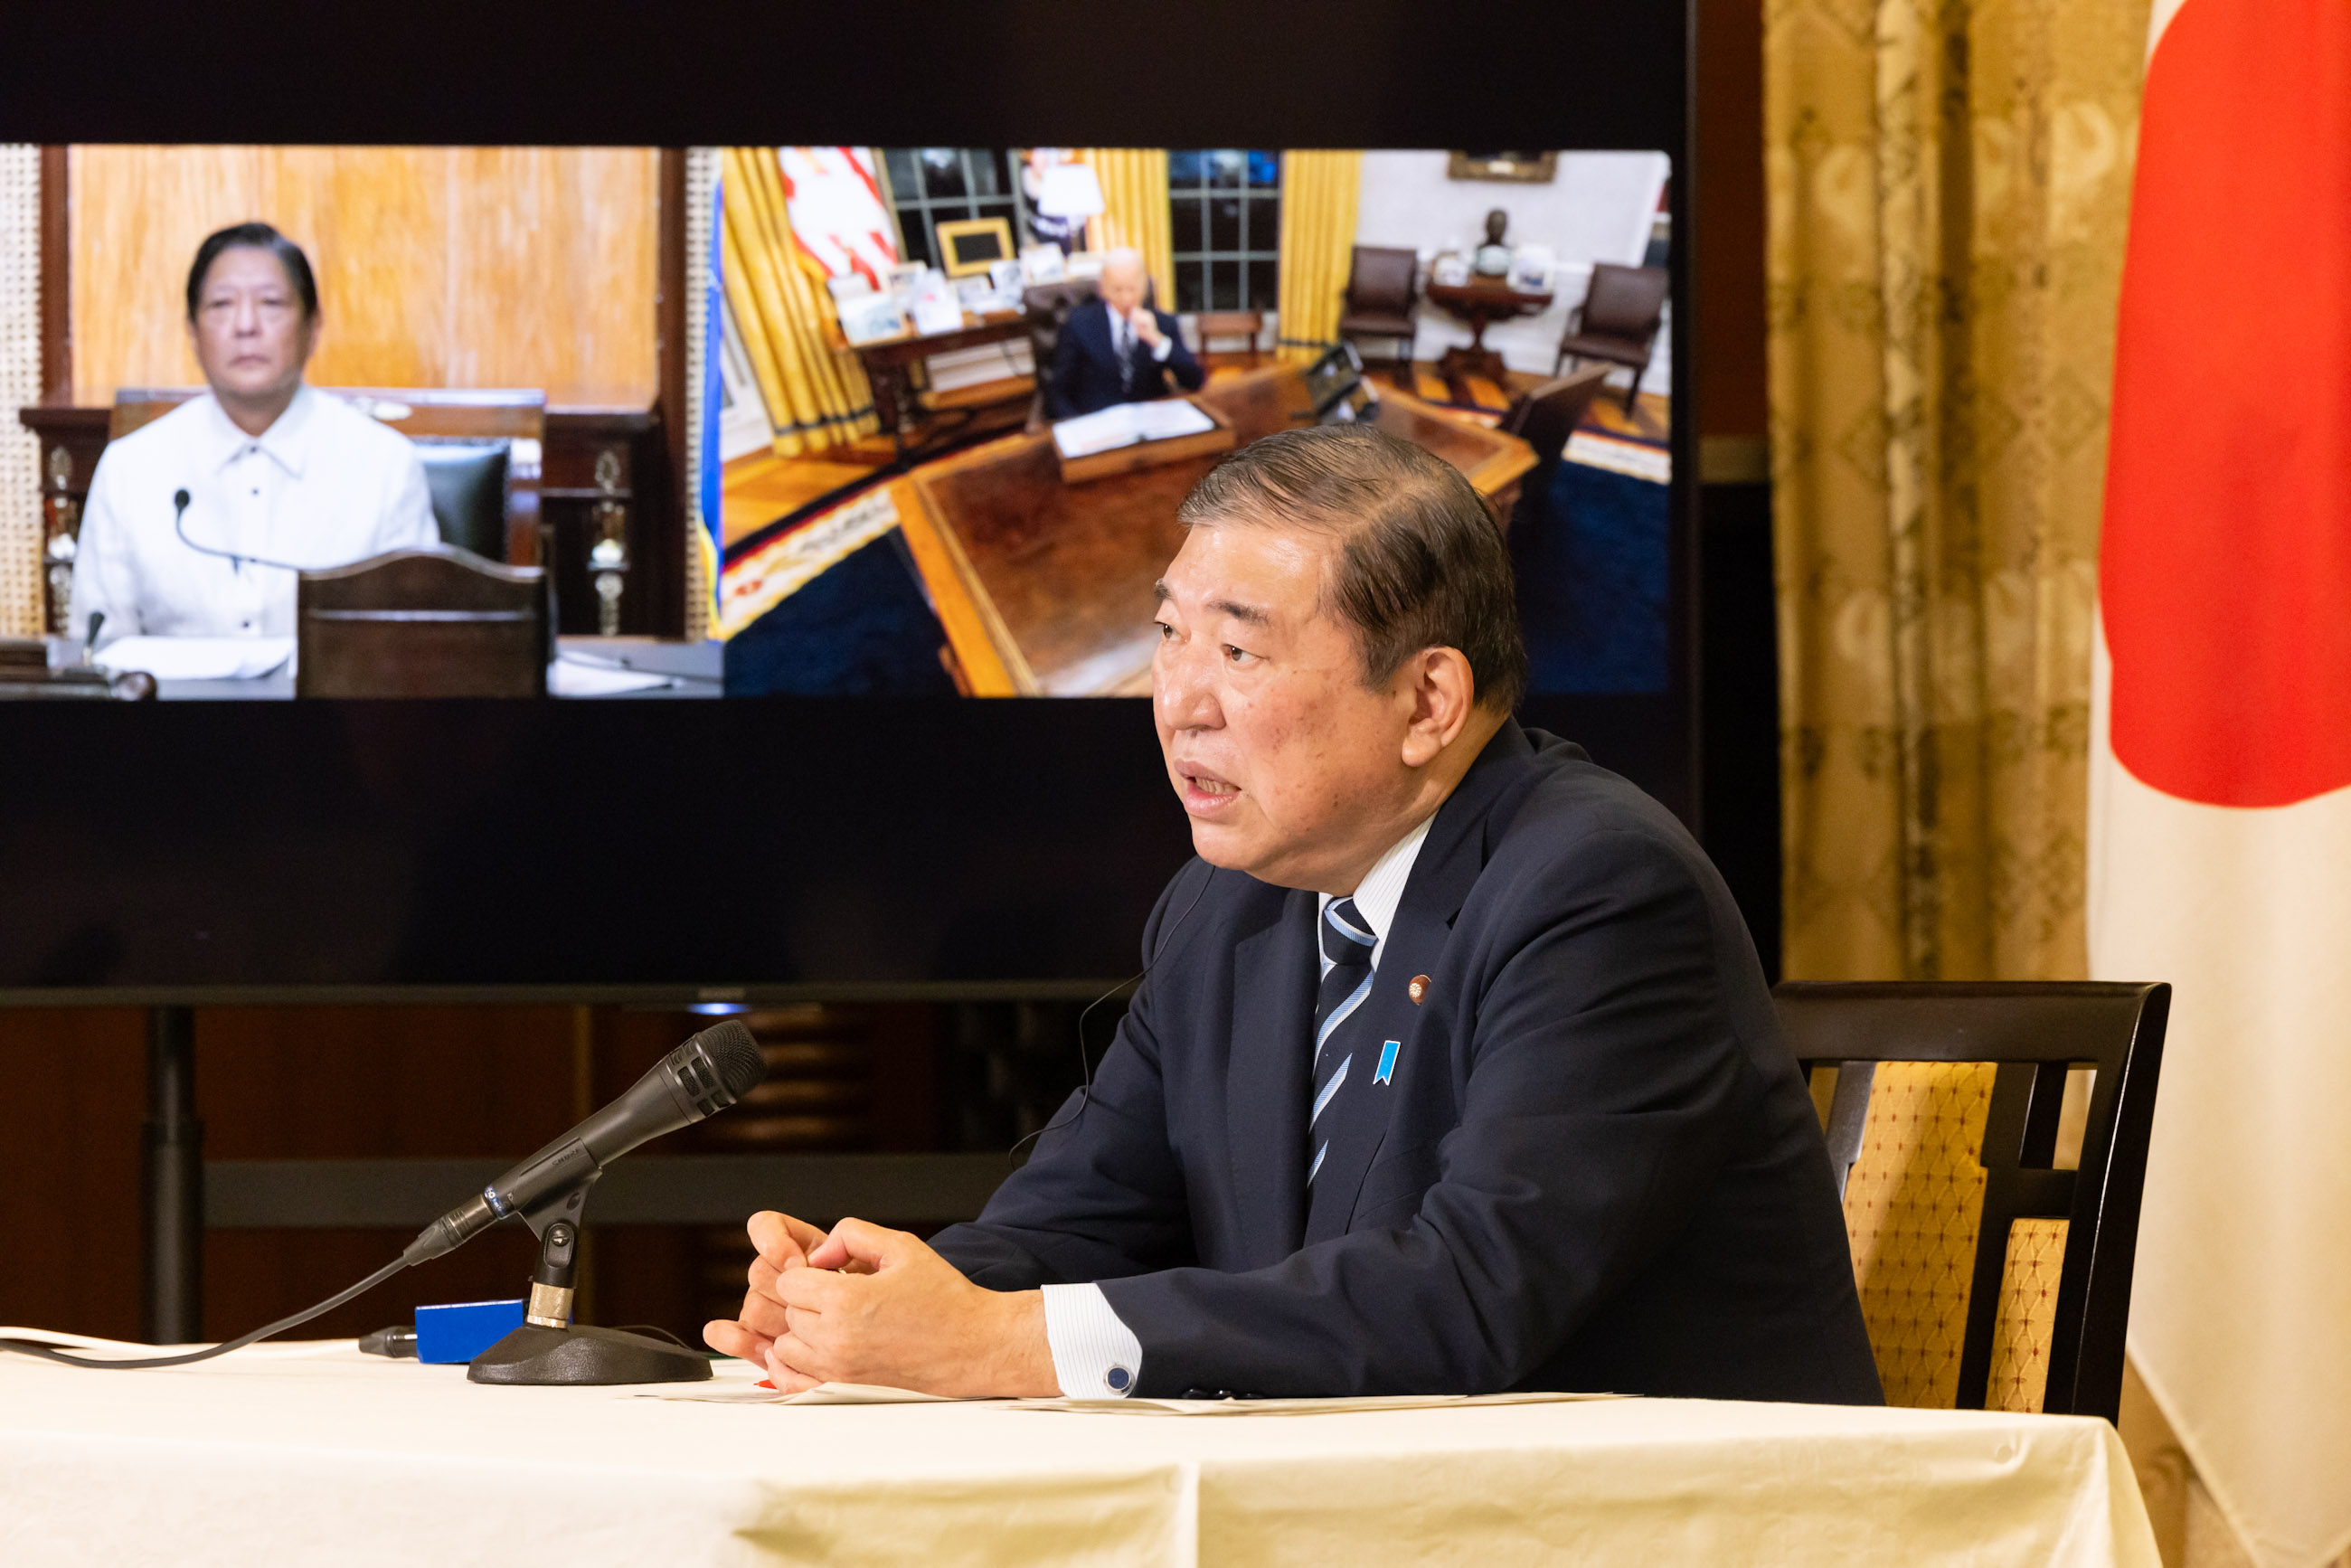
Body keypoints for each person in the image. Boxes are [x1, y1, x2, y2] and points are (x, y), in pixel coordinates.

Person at [705, 424, 1883, 1405]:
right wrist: (866, 1309)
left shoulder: (1598, 890)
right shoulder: (1224, 908)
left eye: (1238, 648)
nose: (1179, 703)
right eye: (1167, 637)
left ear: (1428, 698)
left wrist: (991, 1344)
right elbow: (1072, 1221)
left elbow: (1471, 1295)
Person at [68, 222, 439, 649]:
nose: (246, 325)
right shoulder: (131, 469)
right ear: (192, 332)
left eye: (271, 303)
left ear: (313, 328)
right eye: (222, 304)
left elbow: (412, 647)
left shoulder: (384, 465)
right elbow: (98, 649)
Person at [1043, 248, 1205, 420]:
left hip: (1149, 422)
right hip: (1097, 423)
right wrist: (1075, 425)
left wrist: (1156, 339)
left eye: (1132, 289)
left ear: (1144, 284)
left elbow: (1194, 380)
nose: (1126, 298)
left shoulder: (1163, 322)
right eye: (1117, 290)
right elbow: (1057, 391)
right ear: (1102, 287)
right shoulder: (1078, 323)